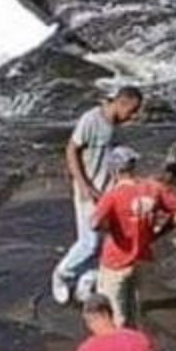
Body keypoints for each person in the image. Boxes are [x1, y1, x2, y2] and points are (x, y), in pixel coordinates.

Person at [53, 87, 145, 305]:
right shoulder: (91, 120)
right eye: (131, 111)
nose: (131, 117)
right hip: (89, 190)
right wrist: (84, 186)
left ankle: (85, 283)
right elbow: (71, 150)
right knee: (89, 242)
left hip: (109, 192)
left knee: (107, 243)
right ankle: (62, 274)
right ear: (122, 103)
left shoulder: (117, 126)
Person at [90, 148, 176, 328]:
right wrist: (157, 233)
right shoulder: (153, 187)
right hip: (140, 257)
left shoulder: (113, 196)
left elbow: (95, 223)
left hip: (115, 261)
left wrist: (111, 227)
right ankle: (133, 342)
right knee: (133, 308)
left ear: (115, 171)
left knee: (114, 314)